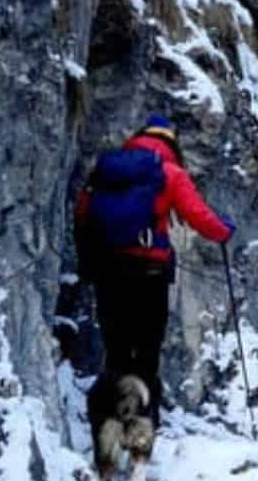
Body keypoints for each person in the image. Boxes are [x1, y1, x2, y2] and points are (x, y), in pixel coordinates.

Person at [75, 114, 234, 430]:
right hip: (150, 272)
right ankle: (143, 423)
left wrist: (90, 261)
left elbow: (82, 212)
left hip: (109, 270)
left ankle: (108, 422)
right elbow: (197, 214)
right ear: (171, 142)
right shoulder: (170, 172)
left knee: (116, 349)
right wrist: (223, 232)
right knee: (146, 349)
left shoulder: (108, 169)